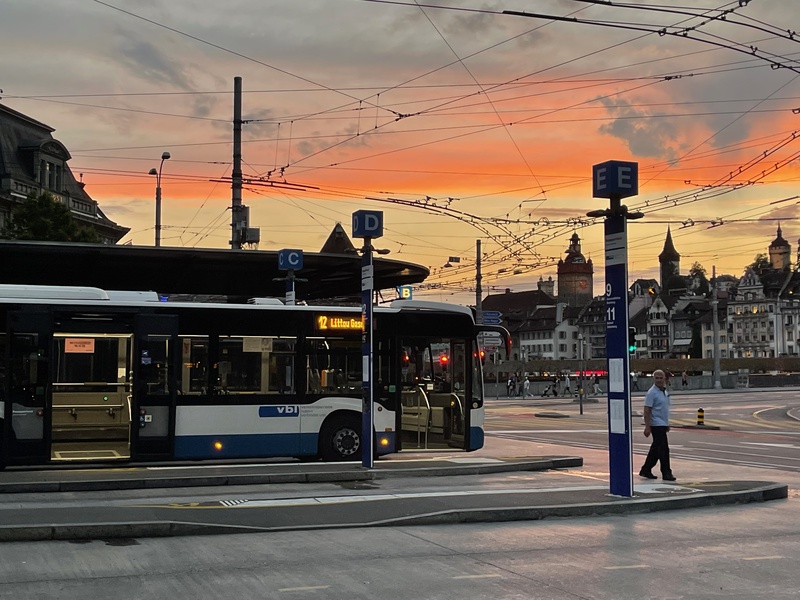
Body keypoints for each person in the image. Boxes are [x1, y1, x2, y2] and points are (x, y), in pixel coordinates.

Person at [639, 369, 676, 481]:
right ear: (653, 379)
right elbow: (647, 410)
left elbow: (664, 410)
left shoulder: (664, 392)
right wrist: (647, 426)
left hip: (662, 424)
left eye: (661, 378)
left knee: (656, 449)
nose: (659, 380)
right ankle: (666, 473)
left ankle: (646, 469)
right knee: (664, 449)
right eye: (657, 378)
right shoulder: (652, 393)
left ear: (665, 378)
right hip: (656, 424)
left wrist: (667, 424)